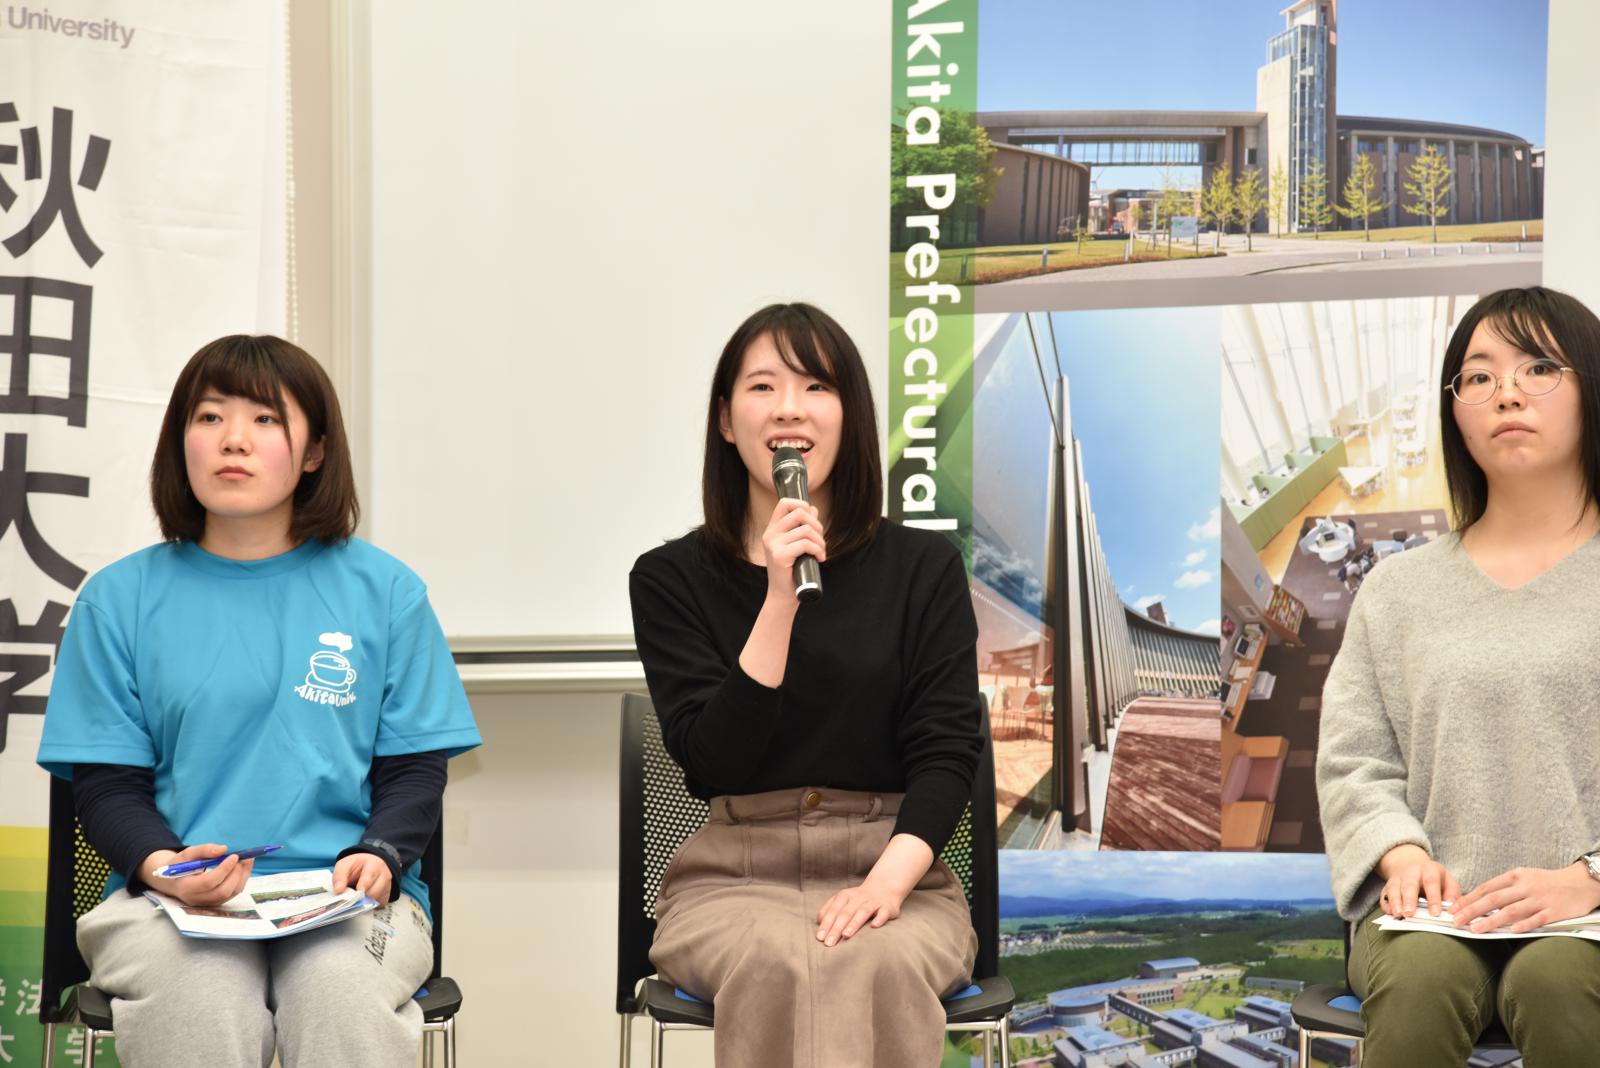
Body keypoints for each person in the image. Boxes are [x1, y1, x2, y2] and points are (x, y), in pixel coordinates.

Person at [37, 335, 482, 1067]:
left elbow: (413, 771)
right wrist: (163, 865)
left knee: (338, 992)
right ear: (180, 440)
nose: (233, 440)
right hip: (168, 907)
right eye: (209, 417)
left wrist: (379, 853)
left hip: (345, 904)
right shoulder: (118, 600)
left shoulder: (387, 592)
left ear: (315, 452)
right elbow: (108, 786)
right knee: (202, 996)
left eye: (265, 419)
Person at [628, 303, 982, 1068]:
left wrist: (886, 885)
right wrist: (779, 601)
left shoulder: (924, 570)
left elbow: (948, 751)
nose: (790, 408)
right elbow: (713, 763)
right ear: (726, 421)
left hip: (895, 866)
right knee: (781, 960)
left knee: (875, 958)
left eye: (817, 386)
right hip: (733, 877)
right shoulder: (668, 579)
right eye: (763, 386)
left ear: (849, 417)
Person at [1318, 286, 1600, 1066]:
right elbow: (1353, 761)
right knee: (1420, 981)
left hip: (1590, 917)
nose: (1506, 392)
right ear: (1455, 412)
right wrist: (1400, 855)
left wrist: (1590, 878)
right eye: (1478, 376)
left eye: (1539, 366)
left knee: (1558, 979)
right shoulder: (1396, 591)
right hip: (1429, 918)